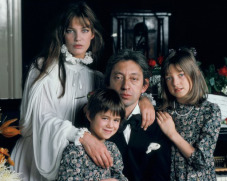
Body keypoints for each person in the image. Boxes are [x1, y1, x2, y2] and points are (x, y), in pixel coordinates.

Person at [10, 1, 154, 181]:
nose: (78, 38)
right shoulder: (43, 68)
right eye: (71, 31)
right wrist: (83, 137)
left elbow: (120, 95)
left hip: (79, 162)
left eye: (84, 30)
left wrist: (144, 99)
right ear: (62, 34)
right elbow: (40, 120)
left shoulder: (95, 76)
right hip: (38, 158)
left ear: (93, 34)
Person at [103, 49, 171, 181]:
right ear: (108, 83)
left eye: (133, 79)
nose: (125, 86)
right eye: (118, 77)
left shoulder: (161, 122)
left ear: (144, 85)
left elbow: (162, 175)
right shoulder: (95, 120)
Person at [156, 48, 221, 180]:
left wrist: (172, 134)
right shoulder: (163, 110)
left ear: (195, 74)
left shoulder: (210, 111)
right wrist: (143, 99)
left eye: (181, 74)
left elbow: (201, 161)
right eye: (169, 78)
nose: (175, 83)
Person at [57, 88, 128, 181]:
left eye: (116, 120)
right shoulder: (75, 150)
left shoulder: (112, 148)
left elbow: (119, 175)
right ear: (90, 115)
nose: (110, 125)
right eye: (105, 118)